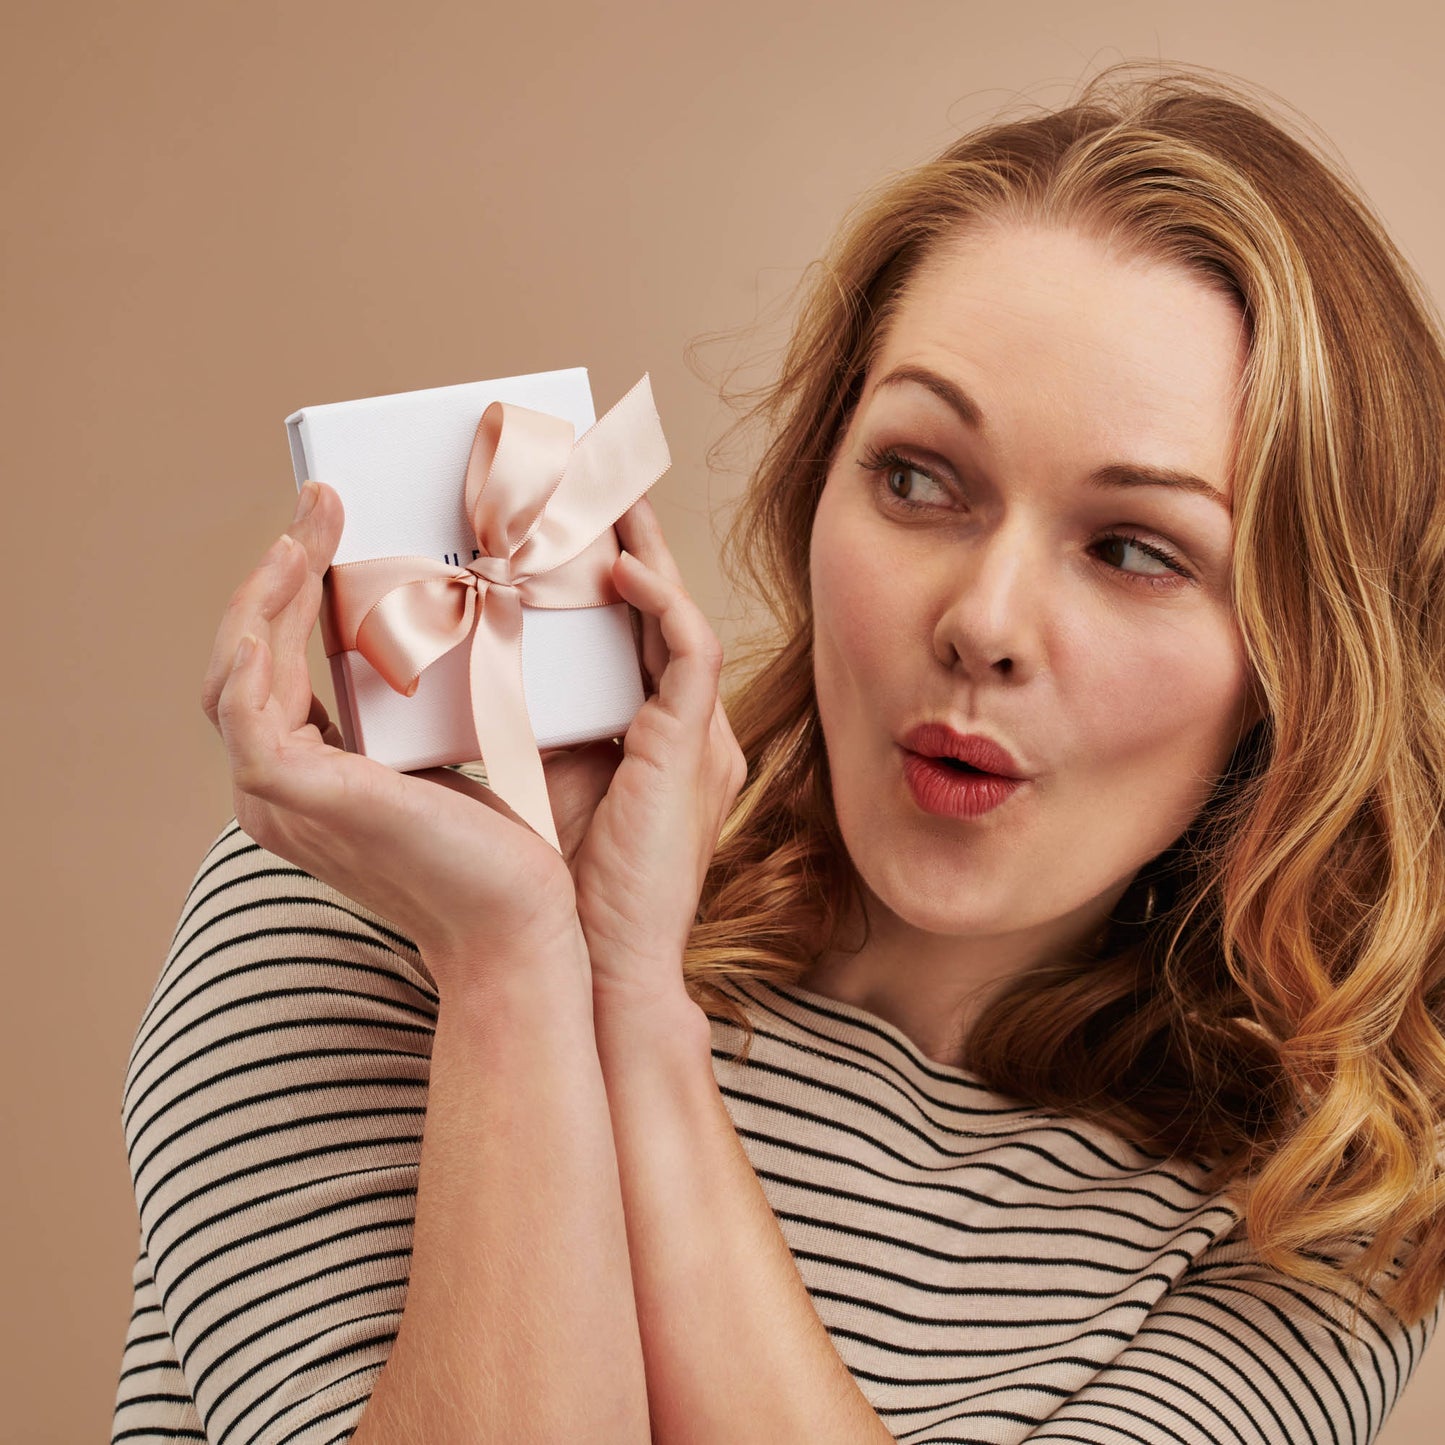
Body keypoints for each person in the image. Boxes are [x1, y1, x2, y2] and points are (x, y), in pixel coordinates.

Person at [112, 60, 1445, 1445]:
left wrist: (635, 1011)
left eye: (1132, 549)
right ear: (816, 487)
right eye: (917, 476)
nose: (982, 622)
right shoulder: (370, 904)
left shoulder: (1326, 1214)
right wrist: (514, 966)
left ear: (1304, 661)